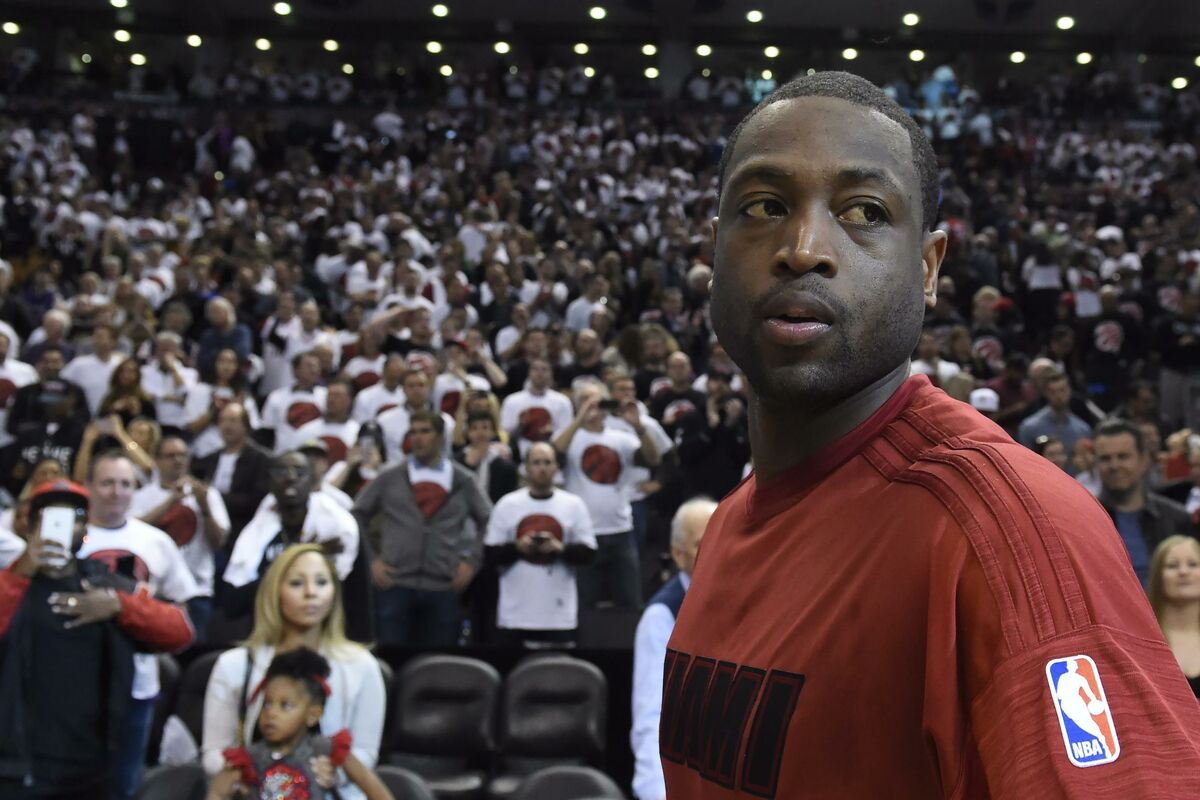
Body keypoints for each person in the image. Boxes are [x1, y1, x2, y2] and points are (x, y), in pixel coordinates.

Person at [663, 71, 1200, 798]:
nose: (804, 247)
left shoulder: (1012, 533)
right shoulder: (729, 523)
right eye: (764, 205)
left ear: (927, 268)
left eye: (864, 211)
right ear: (714, 250)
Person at [0, 479, 193, 800]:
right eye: (49, 517)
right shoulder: (11, 583)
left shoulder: (106, 584)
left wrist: (120, 606)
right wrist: (20, 574)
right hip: (15, 766)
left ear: (85, 530)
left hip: (93, 764)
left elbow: (180, 632)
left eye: (74, 518)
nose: (62, 528)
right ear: (30, 527)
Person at [202, 545, 386, 800]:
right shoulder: (234, 665)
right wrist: (244, 771)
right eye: (297, 583)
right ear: (275, 591)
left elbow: (366, 751)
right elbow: (213, 752)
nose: (311, 592)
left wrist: (336, 773)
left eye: (321, 582)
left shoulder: (362, 666)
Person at [79, 452, 200, 799]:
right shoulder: (69, 538)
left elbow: (181, 612)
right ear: (88, 487)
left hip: (138, 682)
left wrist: (132, 610)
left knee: (126, 783)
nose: (116, 492)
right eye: (107, 483)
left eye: (125, 484)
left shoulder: (155, 541)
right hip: (76, 680)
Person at [352, 409, 491, 646]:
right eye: (413, 432)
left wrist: (472, 563)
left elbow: (489, 520)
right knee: (391, 659)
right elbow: (357, 514)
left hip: (443, 587)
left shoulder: (463, 480)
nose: (417, 438)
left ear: (441, 437)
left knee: (439, 663)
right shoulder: (390, 476)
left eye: (425, 431)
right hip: (394, 585)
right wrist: (371, 560)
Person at [207, 647, 393, 800]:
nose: (272, 713)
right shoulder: (248, 759)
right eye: (267, 704)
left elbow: (374, 788)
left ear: (313, 714)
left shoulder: (326, 750)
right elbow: (217, 793)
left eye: (285, 706)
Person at [630, 497, 715, 800]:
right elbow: (653, 715)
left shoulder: (749, 600)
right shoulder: (662, 616)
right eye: (703, 544)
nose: (717, 551)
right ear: (678, 555)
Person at [553, 381, 659, 609]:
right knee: (584, 603)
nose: (592, 405)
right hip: (583, 532)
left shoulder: (620, 437)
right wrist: (580, 419)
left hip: (620, 529)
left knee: (630, 601)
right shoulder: (570, 437)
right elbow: (555, 452)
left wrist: (639, 427)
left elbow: (652, 458)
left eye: (597, 400)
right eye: (585, 400)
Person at [221, 452, 359, 623]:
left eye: (300, 472)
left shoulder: (336, 527)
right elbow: (233, 603)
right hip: (270, 627)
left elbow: (346, 591)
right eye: (280, 472)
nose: (290, 478)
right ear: (269, 482)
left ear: (312, 482)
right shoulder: (257, 532)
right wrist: (302, 555)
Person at [483, 443, 596, 648]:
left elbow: (589, 553)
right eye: (536, 463)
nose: (542, 468)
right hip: (515, 613)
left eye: (547, 462)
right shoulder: (507, 505)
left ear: (556, 467)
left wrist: (560, 548)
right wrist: (517, 548)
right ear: (526, 468)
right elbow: (490, 554)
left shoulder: (574, 505)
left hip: (559, 614)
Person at [129, 436, 230, 639]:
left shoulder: (208, 495)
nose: (178, 460)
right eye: (170, 455)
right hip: (152, 591)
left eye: (183, 455)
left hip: (197, 591)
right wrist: (170, 501)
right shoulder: (140, 497)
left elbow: (219, 541)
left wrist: (204, 507)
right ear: (156, 460)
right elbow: (132, 534)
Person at [1095, 420, 1196, 586]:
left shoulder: (1177, 519)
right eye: (1105, 458)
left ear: (1143, 460)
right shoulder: (1086, 522)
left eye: (1123, 456)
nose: (1114, 465)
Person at [191, 402, 273, 541]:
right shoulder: (209, 459)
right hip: (212, 528)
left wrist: (212, 499)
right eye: (222, 420)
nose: (227, 425)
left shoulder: (262, 459)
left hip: (244, 529)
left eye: (233, 420)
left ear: (246, 425)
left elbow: (256, 499)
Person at [1147, 535, 1200, 699]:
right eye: (1172, 566)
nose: (1183, 572)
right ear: (1158, 577)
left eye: (1193, 564)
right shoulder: (1142, 637)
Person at [1017, 369, 1093, 459]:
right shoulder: (1029, 427)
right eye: (1053, 392)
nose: (1059, 396)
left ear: (1070, 391)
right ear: (1045, 393)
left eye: (1062, 390)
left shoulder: (1083, 430)